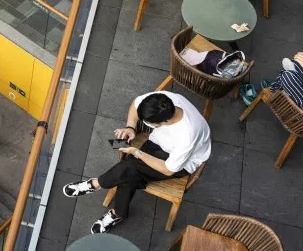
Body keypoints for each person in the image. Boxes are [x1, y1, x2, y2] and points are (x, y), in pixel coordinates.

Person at [63, 91, 211, 233]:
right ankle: (116, 213)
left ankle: (96, 184)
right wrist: (130, 127)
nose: (145, 123)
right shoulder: (165, 99)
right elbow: (135, 104)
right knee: (130, 172)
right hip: (158, 144)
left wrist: (138, 153)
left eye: (150, 123)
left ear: (164, 122)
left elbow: (168, 169)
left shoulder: (188, 135)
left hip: (181, 163)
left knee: (130, 167)